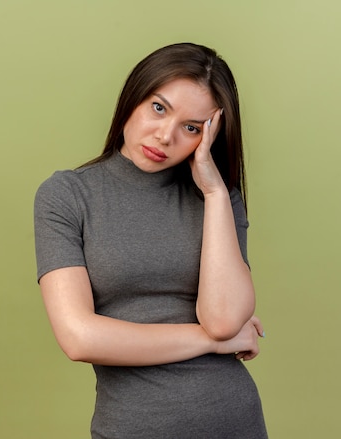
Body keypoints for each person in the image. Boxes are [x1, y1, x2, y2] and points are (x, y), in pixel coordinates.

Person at [34, 42, 268, 438]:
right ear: (134, 96)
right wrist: (210, 342)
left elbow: (225, 319)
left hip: (233, 420)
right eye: (159, 108)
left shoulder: (219, 199)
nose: (165, 136)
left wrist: (212, 194)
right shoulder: (67, 196)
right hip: (133, 427)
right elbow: (79, 338)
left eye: (191, 128)